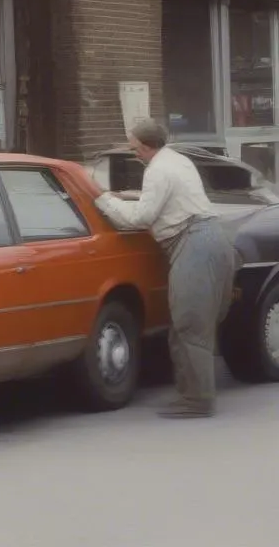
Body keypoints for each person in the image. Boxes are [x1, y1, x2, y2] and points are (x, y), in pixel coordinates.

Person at [88, 117, 236, 418]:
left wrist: (103, 200)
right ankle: (191, 394)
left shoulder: (158, 170)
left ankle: (198, 401)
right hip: (213, 239)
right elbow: (163, 201)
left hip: (194, 243)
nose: (135, 154)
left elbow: (140, 218)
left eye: (135, 149)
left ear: (146, 146)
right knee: (189, 327)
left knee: (189, 325)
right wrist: (128, 197)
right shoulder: (176, 160)